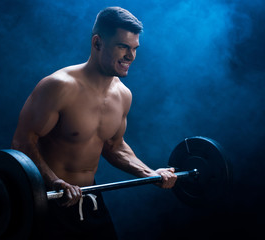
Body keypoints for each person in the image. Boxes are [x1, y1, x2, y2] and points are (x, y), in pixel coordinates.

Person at [11, 6, 177, 240]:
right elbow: (22, 141)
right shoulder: (59, 86)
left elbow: (114, 146)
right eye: (123, 47)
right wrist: (55, 182)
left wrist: (150, 173)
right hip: (47, 202)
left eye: (134, 48)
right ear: (98, 43)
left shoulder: (123, 95)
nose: (131, 56)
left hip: (90, 198)